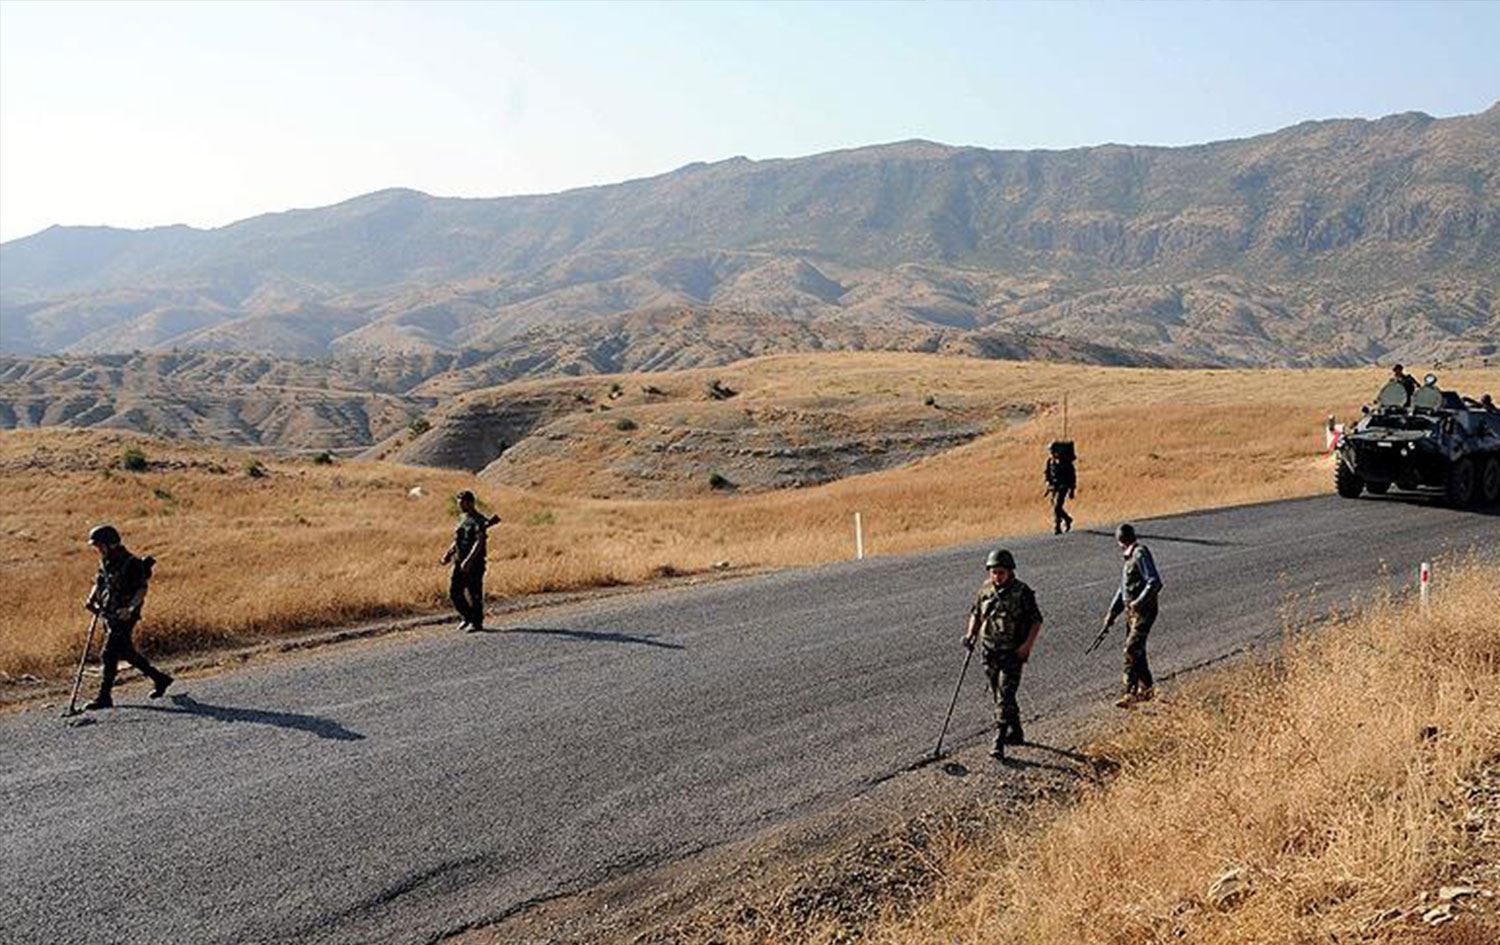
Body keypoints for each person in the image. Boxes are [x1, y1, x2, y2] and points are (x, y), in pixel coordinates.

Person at [963, 548, 1044, 757]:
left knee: (1005, 695)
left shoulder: (1022, 592)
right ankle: (1015, 731)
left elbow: (1036, 621)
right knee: (999, 694)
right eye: (994, 572)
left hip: (1012, 653)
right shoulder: (985, 590)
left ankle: (998, 740)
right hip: (989, 651)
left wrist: (1027, 646)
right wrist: (970, 634)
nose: (997, 577)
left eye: (1001, 572)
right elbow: (976, 613)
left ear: (1010, 571)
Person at [82, 524, 172, 710]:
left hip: (124, 616)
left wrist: (129, 609)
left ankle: (104, 697)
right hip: (109, 612)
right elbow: (100, 582)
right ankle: (160, 678)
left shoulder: (131, 563)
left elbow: (141, 589)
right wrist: (91, 599)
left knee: (108, 654)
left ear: (111, 544)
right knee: (124, 652)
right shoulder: (106, 560)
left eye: (100, 545)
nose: (98, 549)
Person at [1100, 523, 1162, 707]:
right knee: (1138, 651)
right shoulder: (1129, 558)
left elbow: (1154, 582)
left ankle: (1130, 693)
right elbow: (1123, 590)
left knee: (1131, 649)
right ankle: (1147, 689)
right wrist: (1112, 614)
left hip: (1144, 611)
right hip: (1132, 612)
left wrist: (1139, 602)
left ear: (1120, 541)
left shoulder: (1140, 554)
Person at [441, 490, 500, 632]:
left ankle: (477, 623)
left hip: (475, 562)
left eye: (463, 503)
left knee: (474, 593)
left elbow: (479, 542)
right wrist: (449, 553)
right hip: (459, 560)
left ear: (471, 503)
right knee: (454, 592)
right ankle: (467, 617)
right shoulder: (462, 518)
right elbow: (458, 539)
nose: (460, 506)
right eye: (459, 503)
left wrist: (468, 560)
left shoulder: (479, 520)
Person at [1044, 443, 1077, 535]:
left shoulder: (1065, 462)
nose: (1051, 452)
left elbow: (1072, 476)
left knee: (1057, 507)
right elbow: (1047, 473)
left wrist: (1072, 490)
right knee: (1056, 506)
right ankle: (1067, 519)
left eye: (1052, 451)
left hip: (1063, 487)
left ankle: (1057, 526)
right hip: (1054, 488)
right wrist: (1048, 483)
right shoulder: (1050, 461)